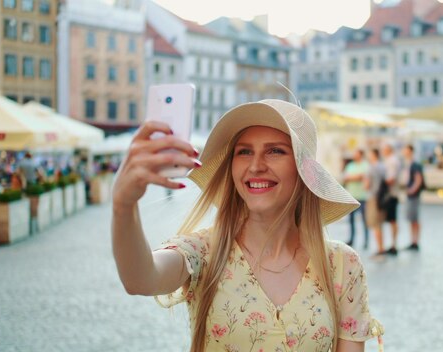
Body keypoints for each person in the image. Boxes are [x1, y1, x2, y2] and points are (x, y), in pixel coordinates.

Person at [111, 99, 384, 352]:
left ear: (304, 172)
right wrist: (123, 206)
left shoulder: (341, 265)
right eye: (244, 152)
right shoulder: (205, 252)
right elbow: (141, 278)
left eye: (275, 151)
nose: (255, 166)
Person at [343, 149, 370, 249]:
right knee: (351, 220)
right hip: (351, 196)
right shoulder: (350, 166)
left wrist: (353, 177)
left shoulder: (365, 165)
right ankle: (352, 238)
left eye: (356, 153)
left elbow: (364, 177)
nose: (354, 155)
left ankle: (366, 240)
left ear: (361, 155)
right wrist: (357, 177)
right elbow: (346, 178)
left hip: (363, 196)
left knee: (365, 220)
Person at [365, 149, 387, 256]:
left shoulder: (371, 168)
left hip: (373, 197)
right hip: (383, 197)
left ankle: (380, 248)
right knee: (380, 223)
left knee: (375, 223)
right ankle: (382, 246)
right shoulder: (383, 166)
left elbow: (367, 185)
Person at [402, 145, 424, 251]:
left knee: (414, 219)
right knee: (412, 219)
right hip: (411, 195)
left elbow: (418, 179)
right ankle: (413, 240)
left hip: (413, 196)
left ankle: (415, 241)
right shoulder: (410, 164)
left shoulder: (414, 164)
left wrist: (412, 190)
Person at [381, 143, 400, 255]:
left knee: (392, 220)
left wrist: (380, 182)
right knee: (391, 220)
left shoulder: (392, 161)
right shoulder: (390, 160)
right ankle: (392, 244)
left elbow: (391, 179)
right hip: (390, 194)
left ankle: (393, 245)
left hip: (391, 195)